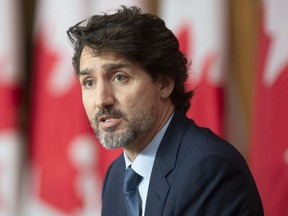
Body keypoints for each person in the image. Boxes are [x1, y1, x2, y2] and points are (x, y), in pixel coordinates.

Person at [67, 6, 263, 216]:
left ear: (164, 83)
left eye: (119, 77)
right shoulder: (116, 176)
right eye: (89, 83)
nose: (101, 100)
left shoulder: (210, 170)